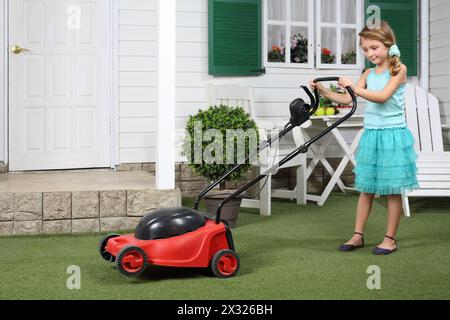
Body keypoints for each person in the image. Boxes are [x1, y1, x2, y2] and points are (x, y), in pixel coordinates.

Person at [310, 21, 419, 255]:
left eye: (374, 47)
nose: (370, 53)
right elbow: (347, 100)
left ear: (388, 45)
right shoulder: (368, 73)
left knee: (392, 190)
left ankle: (390, 239)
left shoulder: (399, 70)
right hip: (372, 135)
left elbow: (381, 97)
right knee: (366, 189)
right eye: (365, 50)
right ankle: (358, 235)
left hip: (392, 135)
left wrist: (354, 88)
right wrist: (324, 91)